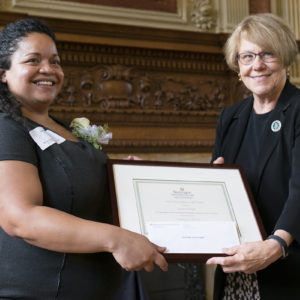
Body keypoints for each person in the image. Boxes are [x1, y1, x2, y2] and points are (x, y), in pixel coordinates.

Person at [0, 18, 168, 299]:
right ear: (3, 73)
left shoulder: (67, 128)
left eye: (55, 61)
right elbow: (19, 217)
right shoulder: (7, 127)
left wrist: (125, 177)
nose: (48, 70)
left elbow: (84, 197)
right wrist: (116, 240)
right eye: (33, 60)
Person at [206, 13, 300, 299]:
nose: (256, 65)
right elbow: (218, 179)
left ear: (284, 58)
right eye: (246, 57)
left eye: (267, 54)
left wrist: (276, 245)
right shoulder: (231, 117)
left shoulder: (297, 110)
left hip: (288, 262)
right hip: (239, 263)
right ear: (238, 66)